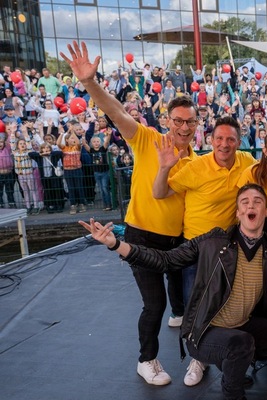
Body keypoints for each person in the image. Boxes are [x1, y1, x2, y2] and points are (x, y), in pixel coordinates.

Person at [62, 41, 197, 386]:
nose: (184, 127)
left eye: (190, 122)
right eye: (178, 120)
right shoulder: (148, 139)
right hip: (141, 235)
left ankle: (197, 351)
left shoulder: (198, 160)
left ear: (197, 124)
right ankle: (147, 360)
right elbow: (118, 112)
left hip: (178, 240)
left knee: (186, 298)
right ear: (168, 120)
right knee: (155, 304)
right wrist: (91, 84)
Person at [79, 184, 267, 400]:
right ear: (238, 212)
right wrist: (115, 244)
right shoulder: (213, 242)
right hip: (205, 331)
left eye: (258, 201)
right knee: (240, 344)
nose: (251, 205)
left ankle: (236, 366)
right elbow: (165, 260)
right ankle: (233, 393)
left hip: (243, 323)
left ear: (266, 211)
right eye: (245, 202)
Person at [152, 116, 257, 335]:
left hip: (227, 245)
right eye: (219, 138)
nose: (224, 144)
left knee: (225, 299)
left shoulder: (247, 162)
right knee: (194, 301)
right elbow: (159, 193)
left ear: (239, 142)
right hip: (195, 247)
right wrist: (164, 168)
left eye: (230, 139)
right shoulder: (196, 167)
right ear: (210, 140)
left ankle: (217, 345)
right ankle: (196, 354)